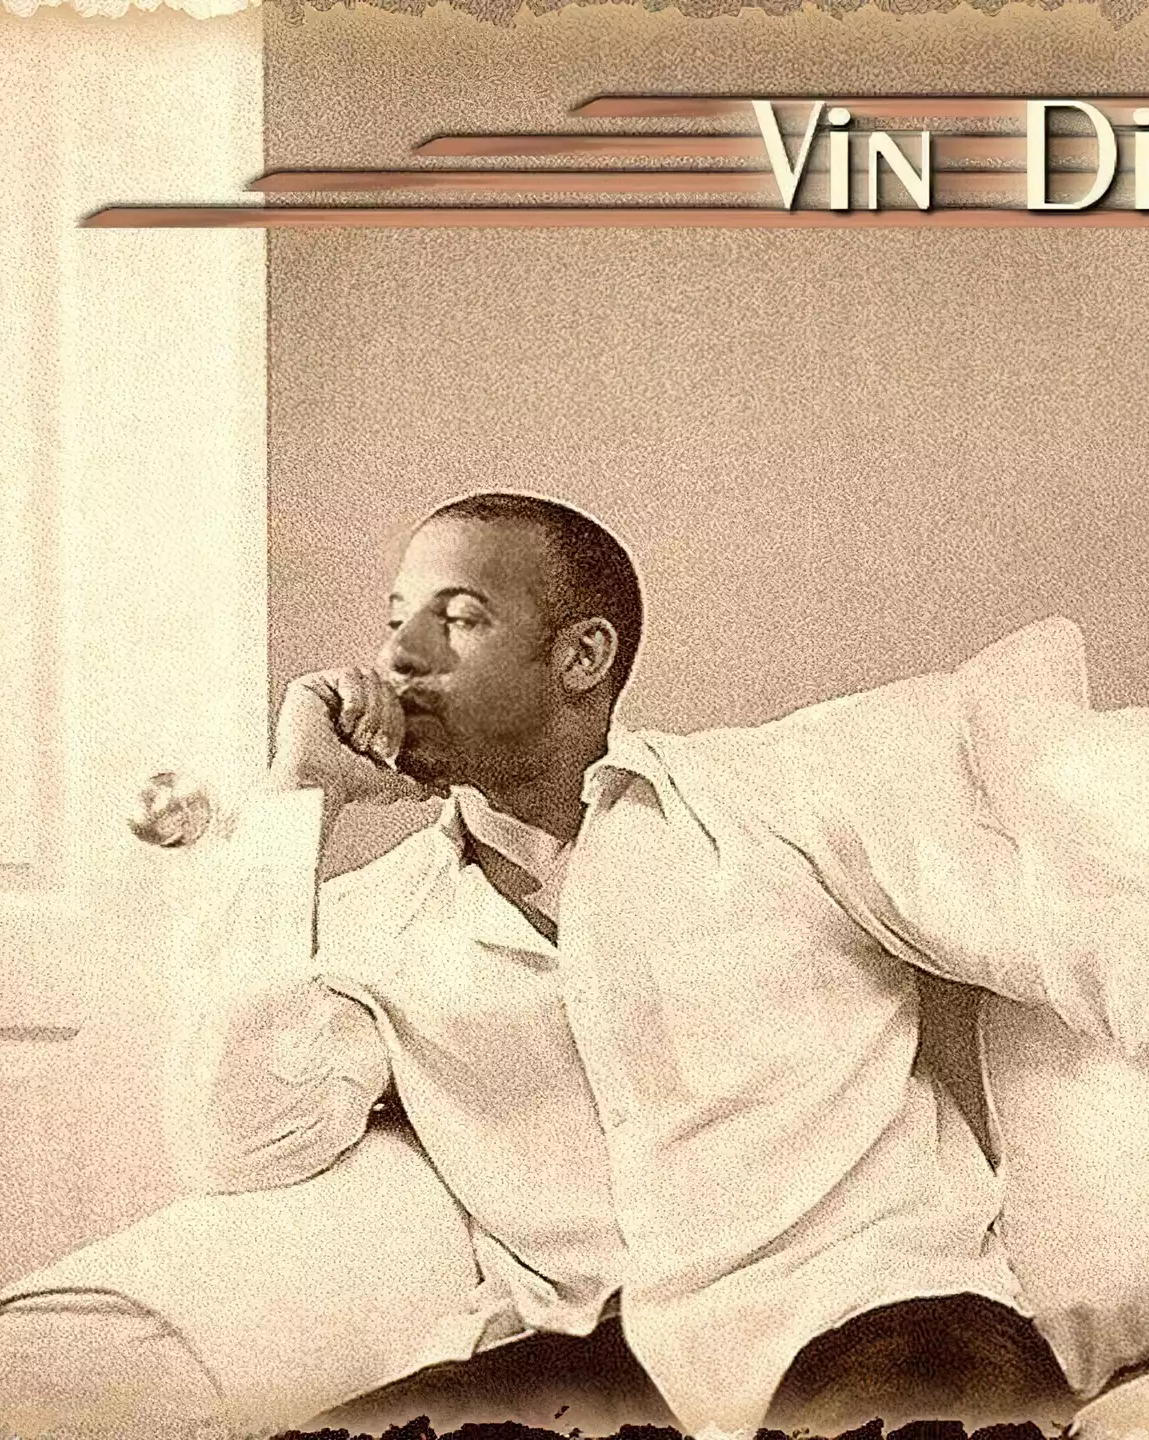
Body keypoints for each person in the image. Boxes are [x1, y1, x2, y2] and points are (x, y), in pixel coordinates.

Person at [188, 492, 1074, 1436]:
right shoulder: (380, 920)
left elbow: (1056, 928)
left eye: (460, 620)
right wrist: (299, 795)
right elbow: (245, 1144)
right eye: (397, 618)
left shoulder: (775, 801)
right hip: (600, 1365)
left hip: (886, 1319)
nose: (398, 656)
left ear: (583, 657)